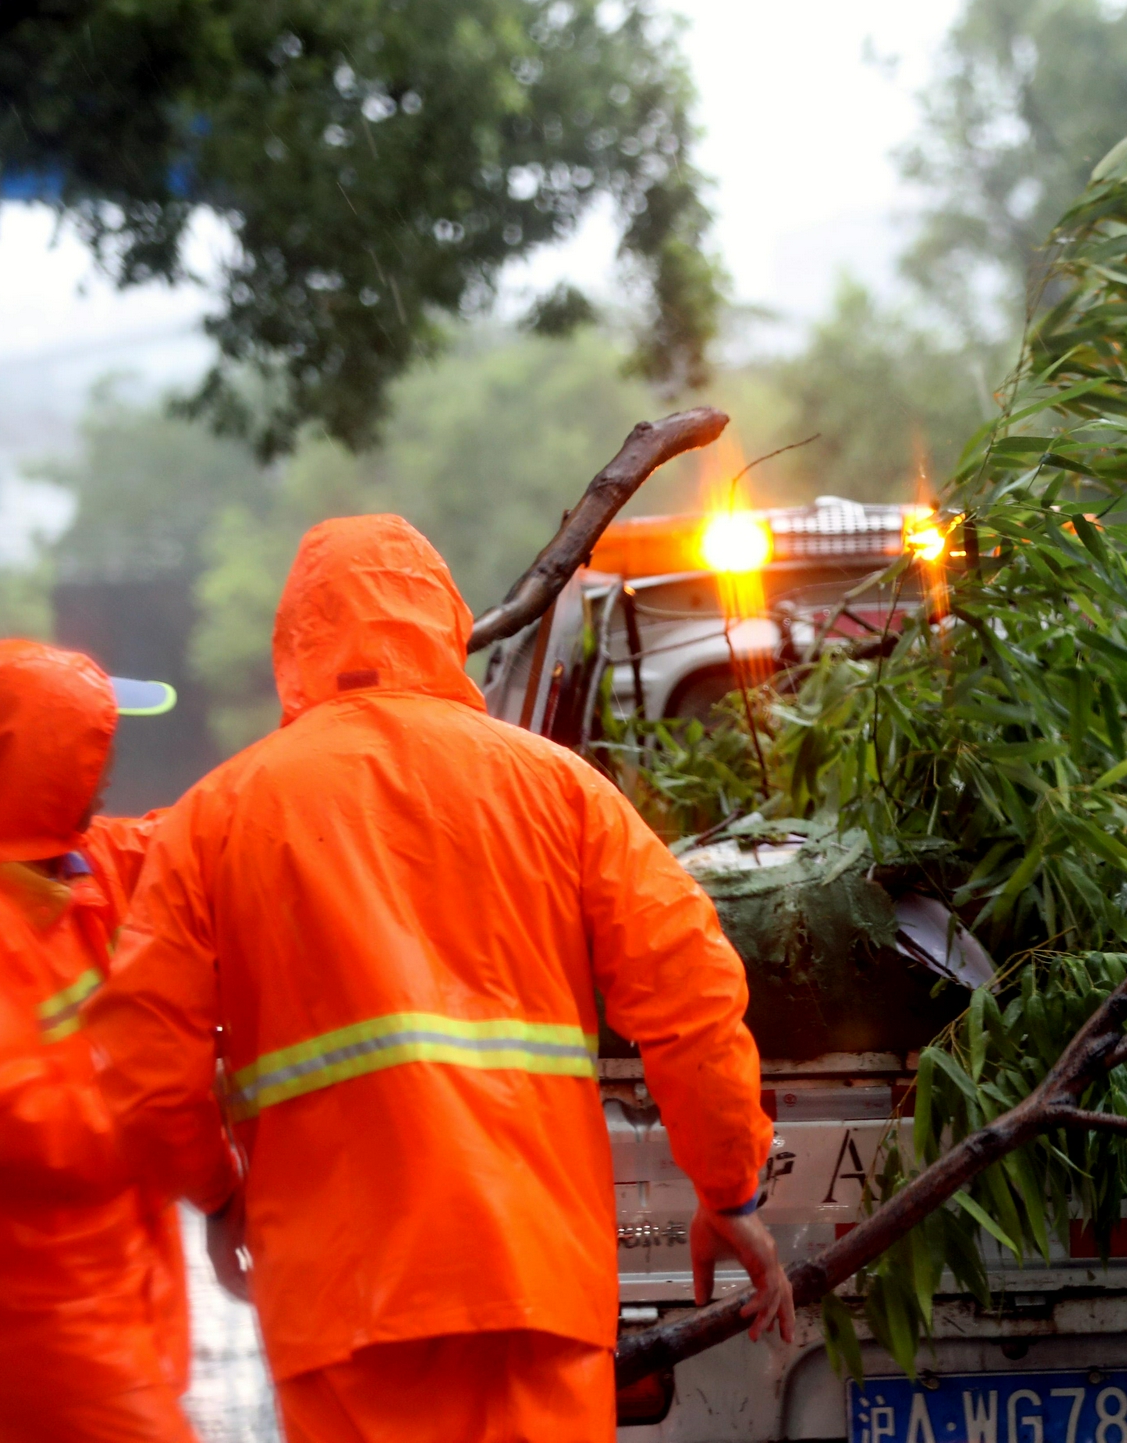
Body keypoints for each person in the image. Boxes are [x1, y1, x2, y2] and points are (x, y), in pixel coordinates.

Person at [86, 514, 792, 1443]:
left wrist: (219, 1193)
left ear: (294, 642)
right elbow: (691, 991)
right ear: (445, 621)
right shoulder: (562, 790)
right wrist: (728, 1188)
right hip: (535, 1280)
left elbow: (141, 1060)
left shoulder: (217, 818)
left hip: (342, 1300)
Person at [0, 640, 191, 1443]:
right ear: (54, 763)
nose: (108, 768)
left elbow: (199, 831)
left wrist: (316, 750)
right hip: (34, 1314)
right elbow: (21, 1118)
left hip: (106, 1287)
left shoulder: (71, 867)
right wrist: (165, 1096)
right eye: (95, 745)